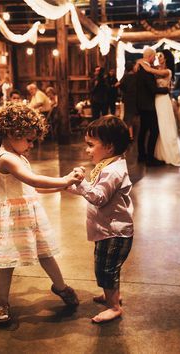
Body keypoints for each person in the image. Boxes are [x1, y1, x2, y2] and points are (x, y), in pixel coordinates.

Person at [0, 103, 83, 324]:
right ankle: (2, 303)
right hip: (9, 220)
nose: (32, 145)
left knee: (45, 253)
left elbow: (35, 188)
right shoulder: (5, 158)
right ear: (11, 133)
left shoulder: (19, 155)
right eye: (29, 140)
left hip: (27, 216)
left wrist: (62, 187)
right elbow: (32, 179)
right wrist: (64, 179)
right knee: (6, 263)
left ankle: (61, 287)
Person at [69, 115, 133, 324]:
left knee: (106, 268)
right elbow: (95, 191)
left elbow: (98, 197)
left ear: (108, 146)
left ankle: (114, 307)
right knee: (108, 266)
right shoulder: (108, 164)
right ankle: (112, 294)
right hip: (106, 230)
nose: (86, 150)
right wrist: (73, 186)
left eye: (90, 145)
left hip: (114, 232)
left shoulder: (112, 171)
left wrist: (81, 182)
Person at [138, 50, 180, 167]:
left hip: (163, 101)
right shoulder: (158, 68)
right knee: (157, 128)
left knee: (165, 126)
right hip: (155, 101)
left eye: (160, 56)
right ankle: (158, 154)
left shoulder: (167, 71)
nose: (158, 58)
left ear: (166, 59)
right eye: (157, 56)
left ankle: (169, 153)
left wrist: (142, 62)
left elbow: (149, 70)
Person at [136, 47, 169, 166]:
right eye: (154, 57)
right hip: (148, 106)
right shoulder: (146, 71)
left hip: (142, 105)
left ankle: (141, 155)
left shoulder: (141, 69)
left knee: (143, 131)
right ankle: (150, 158)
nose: (155, 59)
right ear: (150, 56)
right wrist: (166, 90)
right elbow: (153, 89)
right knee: (154, 131)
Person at [118, 61, 139, 141]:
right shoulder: (136, 76)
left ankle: (128, 135)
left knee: (126, 116)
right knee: (132, 116)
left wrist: (124, 90)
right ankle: (131, 135)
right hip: (134, 99)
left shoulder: (125, 77)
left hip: (126, 98)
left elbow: (119, 84)